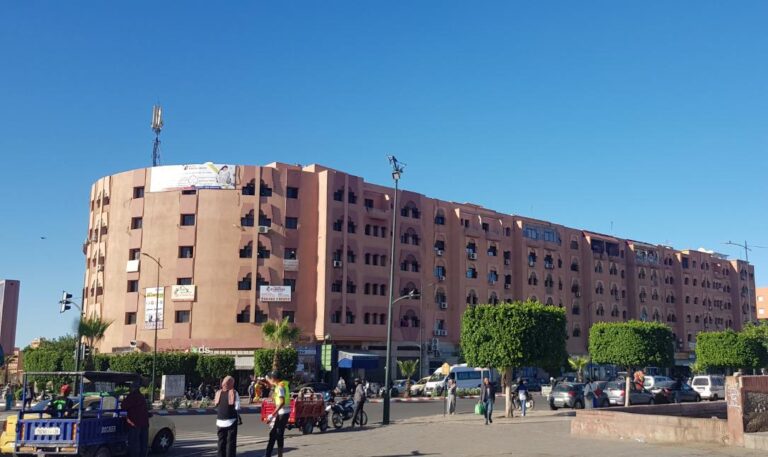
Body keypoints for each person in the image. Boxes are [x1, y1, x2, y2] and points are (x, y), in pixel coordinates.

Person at [265, 371, 290, 457]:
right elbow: (271, 384)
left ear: (275, 378)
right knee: (277, 434)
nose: (271, 379)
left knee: (276, 434)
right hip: (284, 412)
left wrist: (272, 415)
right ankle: (277, 455)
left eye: (271, 378)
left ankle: (270, 454)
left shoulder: (280, 387)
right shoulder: (282, 385)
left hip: (282, 412)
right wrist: (266, 380)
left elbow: (282, 402)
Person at [214, 376, 241, 457]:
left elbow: (216, 406)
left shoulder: (218, 392)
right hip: (231, 421)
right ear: (231, 383)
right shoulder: (234, 392)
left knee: (221, 442)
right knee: (230, 443)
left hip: (219, 421)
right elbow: (237, 407)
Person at [123, 380, 150, 457]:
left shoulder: (132, 396)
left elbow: (123, 406)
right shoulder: (141, 397)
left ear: (133, 388)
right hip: (144, 423)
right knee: (143, 444)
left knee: (134, 444)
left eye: (130, 388)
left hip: (135, 424)